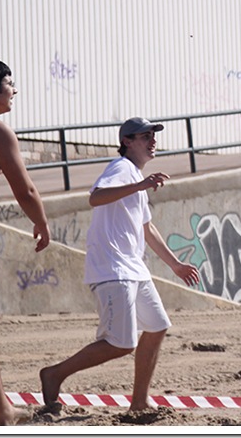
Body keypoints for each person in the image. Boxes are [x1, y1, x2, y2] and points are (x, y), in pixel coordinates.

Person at [39, 117, 200, 414]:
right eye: (145, 136)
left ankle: (139, 401)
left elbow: (147, 230)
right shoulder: (121, 168)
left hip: (134, 269)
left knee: (158, 327)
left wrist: (175, 265)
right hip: (113, 270)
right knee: (121, 343)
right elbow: (96, 198)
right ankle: (54, 374)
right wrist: (140, 183)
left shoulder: (136, 177)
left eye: (153, 135)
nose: (152, 141)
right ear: (127, 141)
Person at [0, 59, 52, 425]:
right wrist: (42, 222)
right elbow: (26, 190)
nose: (14, 90)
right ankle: (1, 412)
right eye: (9, 83)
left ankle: (1, 410)